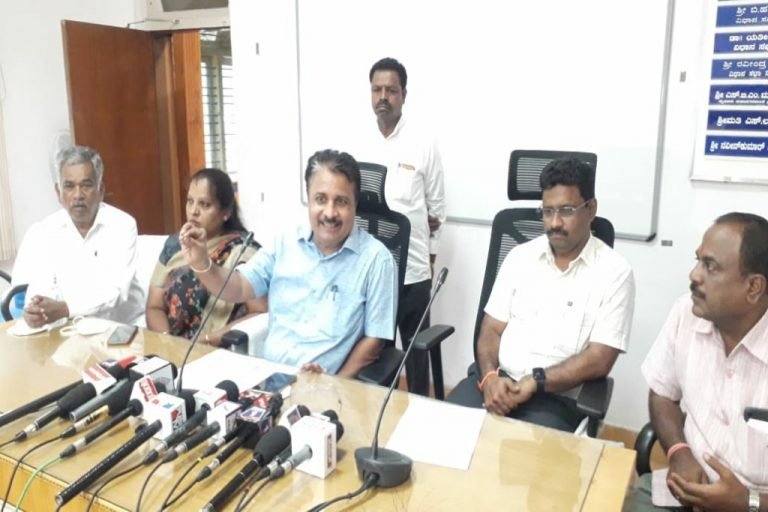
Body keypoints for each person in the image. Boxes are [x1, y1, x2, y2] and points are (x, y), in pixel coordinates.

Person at [445, 158, 635, 432]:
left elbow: (599, 358)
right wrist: (489, 377)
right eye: (547, 211)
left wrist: (536, 381)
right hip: (497, 383)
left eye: (566, 210)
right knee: (440, 438)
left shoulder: (615, 273)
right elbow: (491, 329)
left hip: (554, 399)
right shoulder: (519, 256)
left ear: (591, 209)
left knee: (522, 457)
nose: (554, 222)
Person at [179, 149, 397, 377]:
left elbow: (375, 340)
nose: (330, 213)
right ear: (308, 200)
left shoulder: (376, 260)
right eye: (321, 199)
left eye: (341, 201)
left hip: (326, 384)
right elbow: (239, 287)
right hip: (268, 377)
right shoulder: (285, 243)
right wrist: (202, 262)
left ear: (355, 204)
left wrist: (335, 384)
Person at [632, 212, 768, 511]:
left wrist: (748, 501)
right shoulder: (686, 313)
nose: (694, 275)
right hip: (685, 489)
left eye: (710, 266)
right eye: (698, 260)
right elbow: (662, 394)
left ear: (753, 287)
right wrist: (678, 451)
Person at [354, 56, 446, 396]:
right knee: (374, 352)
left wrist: (430, 258)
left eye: (391, 90)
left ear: (404, 95)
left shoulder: (423, 142)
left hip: (413, 271)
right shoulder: (358, 141)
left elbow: (437, 208)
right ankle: (379, 409)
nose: (383, 97)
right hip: (370, 269)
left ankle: (419, 410)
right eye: (376, 89)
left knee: (415, 352)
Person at [13, 145, 144, 327]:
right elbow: (41, 287)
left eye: (86, 185)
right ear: (58, 193)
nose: (78, 195)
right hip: (70, 330)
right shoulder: (46, 230)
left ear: (101, 190)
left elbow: (116, 292)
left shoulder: (122, 225)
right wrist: (36, 310)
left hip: (122, 328)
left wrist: (65, 309)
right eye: (69, 186)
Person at [145, 168, 267, 344]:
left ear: (226, 211)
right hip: (170, 348)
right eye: (190, 201)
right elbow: (154, 307)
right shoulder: (174, 244)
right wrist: (168, 342)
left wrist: (207, 340)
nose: (194, 211)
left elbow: (259, 314)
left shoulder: (244, 251)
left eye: (205, 204)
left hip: (220, 350)